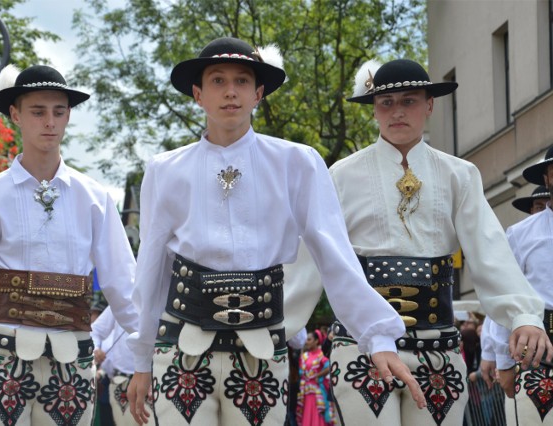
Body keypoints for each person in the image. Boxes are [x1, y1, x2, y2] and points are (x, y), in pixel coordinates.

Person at [125, 37, 426, 426]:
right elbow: (151, 268)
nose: (230, 91)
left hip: (263, 348)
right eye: (217, 81)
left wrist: (377, 334)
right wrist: (140, 359)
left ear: (259, 93)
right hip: (182, 345)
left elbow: (334, 255)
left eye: (242, 81)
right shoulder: (164, 170)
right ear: (197, 94)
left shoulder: (297, 163)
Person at [324, 59, 551, 426]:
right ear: (374, 110)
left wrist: (522, 314)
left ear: (429, 104)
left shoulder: (459, 175)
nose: (397, 111)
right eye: (386, 102)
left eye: (409, 100)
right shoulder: (340, 176)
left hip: (439, 346)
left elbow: (489, 249)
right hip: (362, 346)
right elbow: (323, 259)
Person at [0, 64, 139, 426]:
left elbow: (123, 285)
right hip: (1, 357)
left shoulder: (95, 198)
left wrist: (144, 358)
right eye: (37, 111)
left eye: (59, 111)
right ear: (15, 114)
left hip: (73, 359)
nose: (49, 121)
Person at [486, 145, 553, 424]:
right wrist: (501, 358)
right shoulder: (522, 234)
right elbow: (505, 295)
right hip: (536, 354)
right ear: (547, 179)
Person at [296, 330, 335, 426]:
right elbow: (300, 372)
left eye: (309, 339)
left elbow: (330, 366)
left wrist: (318, 375)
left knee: (318, 416)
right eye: (306, 339)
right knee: (306, 417)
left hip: (317, 392)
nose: (306, 342)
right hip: (305, 391)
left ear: (316, 341)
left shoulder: (321, 354)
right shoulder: (304, 356)